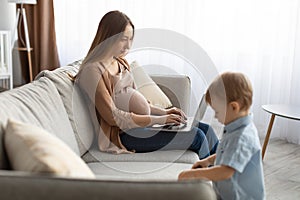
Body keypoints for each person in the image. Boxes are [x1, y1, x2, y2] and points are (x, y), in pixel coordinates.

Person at [75, 10, 219, 158]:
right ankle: (209, 178)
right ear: (108, 37)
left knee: (208, 130)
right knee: (197, 137)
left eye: (131, 39)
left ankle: (227, 175)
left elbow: (135, 102)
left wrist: (164, 113)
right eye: (123, 39)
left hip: (142, 127)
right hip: (124, 135)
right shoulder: (92, 71)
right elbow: (113, 116)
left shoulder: (120, 62)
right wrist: (161, 120)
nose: (128, 45)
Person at [178, 72, 265, 200]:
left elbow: (226, 171)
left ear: (234, 107)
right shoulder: (234, 128)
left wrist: (194, 174)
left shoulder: (242, 137)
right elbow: (227, 152)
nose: (215, 116)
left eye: (217, 111)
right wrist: (208, 161)